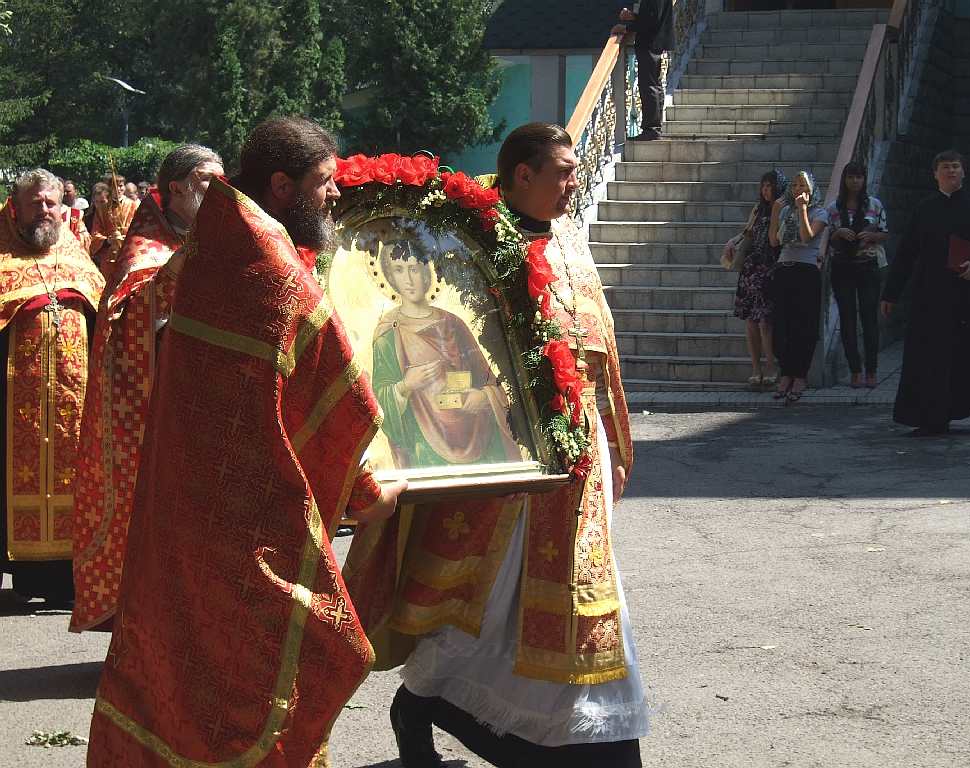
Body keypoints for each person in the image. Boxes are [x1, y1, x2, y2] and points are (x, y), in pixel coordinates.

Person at [86, 117, 404, 766]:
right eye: (325, 183)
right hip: (248, 541)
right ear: (283, 187)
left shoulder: (210, 251)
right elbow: (335, 407)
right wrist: (374, 495)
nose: (336, 196)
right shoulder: (279, 281)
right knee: (251, 708)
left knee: (176, 689)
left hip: (178, 525)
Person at [346, 123, 646, 768]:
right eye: (563, 172)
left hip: (578, 444)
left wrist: (615, 436)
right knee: (496, 587)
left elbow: (599, 337)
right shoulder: (476, 240)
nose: (574, 183)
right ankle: (430, 697)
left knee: (572, 585)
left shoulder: (567, 236)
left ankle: (561, 724)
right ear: (522, 177)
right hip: (505, 452)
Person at [70, 144, 224, 634]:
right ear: (176, 188)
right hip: (157, 408)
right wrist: (178, 276)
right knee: (158, 521)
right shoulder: (146, 249)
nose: (219, 191)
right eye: (207, 181)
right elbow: (129, 314)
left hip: (208, 404)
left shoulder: (216, 236)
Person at [0, 169, 104, 604]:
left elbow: (103, 313)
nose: (44, 210)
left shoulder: (77, 255)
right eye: (35, 202)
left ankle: (62, 578)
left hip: (71, 402)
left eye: (51, 203)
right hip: (11, 404)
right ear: (15, 206)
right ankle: (18, 574)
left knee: (72, 480)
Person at [881, 150, 970, 436]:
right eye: (945, 167)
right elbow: (907, 252)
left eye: (956, 166)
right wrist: (891, 293)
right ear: (935, 174)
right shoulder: (924, 209)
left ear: (964, 172)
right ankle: (933, 418)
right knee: (932, 359)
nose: (951, 171)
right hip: (932, 296)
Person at [371, 240, 521, 469]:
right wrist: (405, 386)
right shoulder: (388, 334)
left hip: (478, 439)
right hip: (426, 449)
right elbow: (378, 401)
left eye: (414, 268)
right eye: (399, 270)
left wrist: (482, 397)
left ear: (426, 272)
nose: (409, 280)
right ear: (390, 277)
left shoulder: (453, 324)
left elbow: (491, 383)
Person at [828, 162, 889, 389]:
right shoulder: (834, 208)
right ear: (845, 179)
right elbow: (827, 237)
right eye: (851, 177)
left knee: (869, 318)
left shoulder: (874, 205)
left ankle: (871, 369)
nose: (855, 181)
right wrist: (838, 233)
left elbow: (885, 232)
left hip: (867, 265)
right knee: (847, 318)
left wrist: (870, 236)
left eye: (859, 177)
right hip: (842, 266)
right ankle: (855, 369)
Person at [770, 170, 828, 403]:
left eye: (803, 185)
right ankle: (786, 373)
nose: (798, 190)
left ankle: (799, 376)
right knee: (782, 326)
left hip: (806, 271)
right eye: (795, 185)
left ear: (812, 189)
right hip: (785, 268)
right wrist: (776, 211)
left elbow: (806, 236)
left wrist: (803, 210)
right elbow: (774, 241)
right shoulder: (785, 210)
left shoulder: (820, 212)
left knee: (804, 326)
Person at [733, 169, 788, 389]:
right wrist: (733, 243)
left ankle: (771, 367)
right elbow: (748, 233)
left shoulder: (783, 209)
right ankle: (756, 368)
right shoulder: (758, 209)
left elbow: (779, 240)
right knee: (750, 321)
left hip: (771, 267)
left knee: (766, 321)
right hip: (751, 268)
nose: (766, 190)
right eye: (764, 186)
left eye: (770, 186)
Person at [612, 1, 674, 141]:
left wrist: (627, 27)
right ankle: (654, 128)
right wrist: (633, 16)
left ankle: (651, 129)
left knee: (649, 85)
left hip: (650, 41)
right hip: (655, 40)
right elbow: (651, 16)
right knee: (654, 84)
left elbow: (651, 20)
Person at [89, 173, 140, 281]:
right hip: (109, 257)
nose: (118, 189)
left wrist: (128, 237)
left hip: (130, 253)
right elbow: (95, 234)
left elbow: (141, 228)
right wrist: (108, 241)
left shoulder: (134, 205)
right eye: (114, 186)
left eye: (121, 185)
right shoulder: (103, 209)